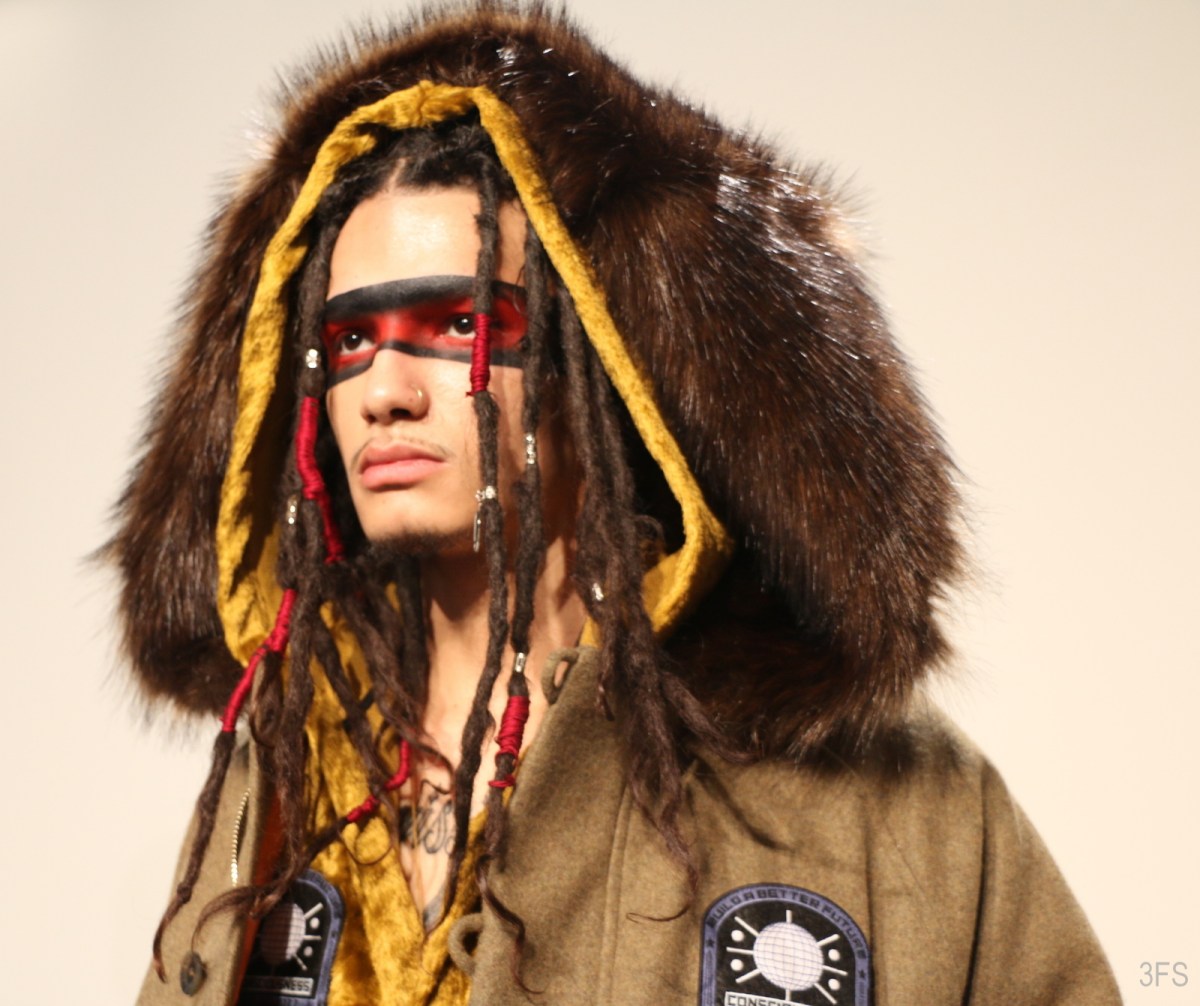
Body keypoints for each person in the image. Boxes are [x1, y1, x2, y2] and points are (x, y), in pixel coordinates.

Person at [110, 4, 1120, 1004]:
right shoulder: (277, 780)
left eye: (460, 323)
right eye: (349, 341)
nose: (385, 391)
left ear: (594, 355)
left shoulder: (880, 801)